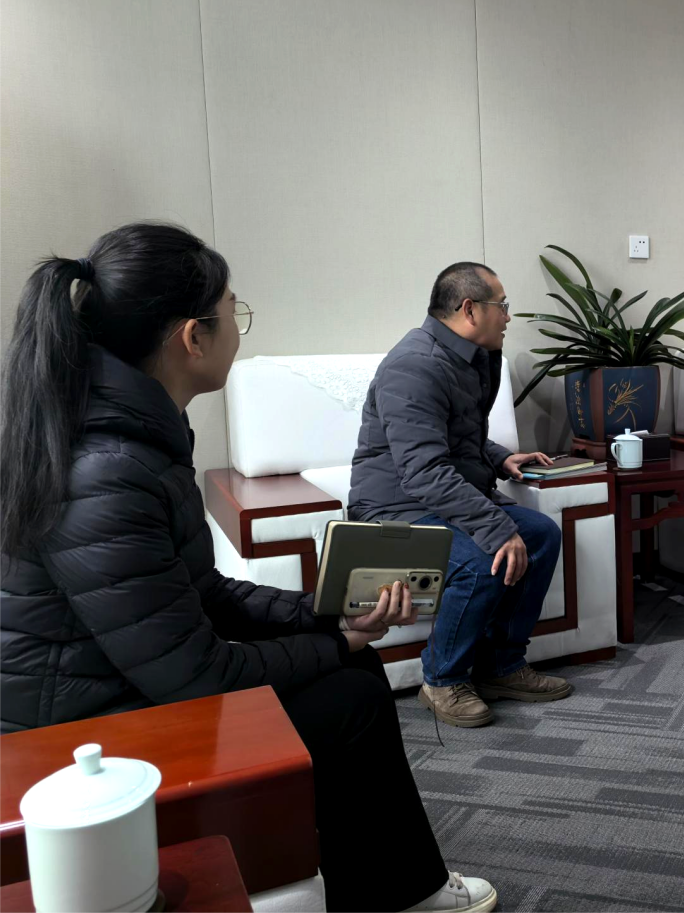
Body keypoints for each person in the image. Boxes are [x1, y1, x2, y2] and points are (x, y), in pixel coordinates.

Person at [0, 224, 497, 913]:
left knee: (352, 672)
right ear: (192, 337)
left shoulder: (131, 433)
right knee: (349, 696)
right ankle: (400, 891)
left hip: (119, 680)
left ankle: (384, 883)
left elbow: (199, 592)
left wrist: (323, 613)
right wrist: (334, 641)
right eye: (235, 312)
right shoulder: (108, 470)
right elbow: (195, 674)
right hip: (80, 730)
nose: (240, 330)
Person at [350, 262, 571, 728]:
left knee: (542, 535)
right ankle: (442, 679)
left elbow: (455, 437)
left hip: (437, 498)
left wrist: (500, 458)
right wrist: (497, 529)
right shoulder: (414, 366)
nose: (508, 316)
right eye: (502, 305)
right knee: (481, 560)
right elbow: (423, 470)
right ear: (469, 309)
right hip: (394, 508)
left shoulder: (471, 357)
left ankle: (502, 666)